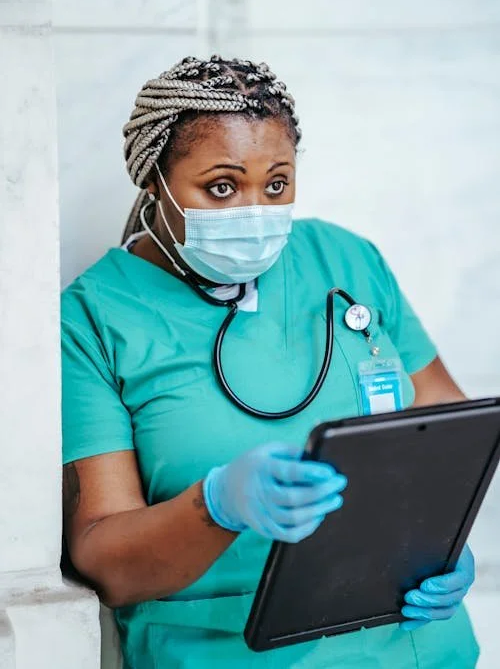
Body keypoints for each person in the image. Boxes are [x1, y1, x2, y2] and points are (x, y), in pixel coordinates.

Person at [61, 56, 478, 668]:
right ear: (155, 181)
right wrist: (217, 503)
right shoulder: (95, 316)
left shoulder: (344, 258)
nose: (256, 210)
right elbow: (106, 561)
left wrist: (446, 532)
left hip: (412, 643)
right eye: (222, 186)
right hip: (227, 650)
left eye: (276, 183)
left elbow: (446, 417)